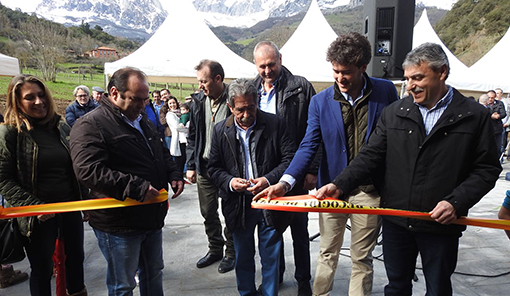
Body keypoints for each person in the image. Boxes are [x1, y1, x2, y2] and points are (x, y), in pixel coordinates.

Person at [314, 43, 502, 296]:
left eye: (418, 77)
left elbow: (487, 169)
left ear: (442, 72)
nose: (410, 85)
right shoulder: (395, 112)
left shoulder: (473, 115)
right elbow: (371, 155)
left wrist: (456, 202)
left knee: (437, 289)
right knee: (396, 287)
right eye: (407, 79)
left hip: (440, 224)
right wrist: (340, 184)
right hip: (396, 222)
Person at [255, 32, 398, 296]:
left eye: (346, 72)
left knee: (361, 258)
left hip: (370, 190)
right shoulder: (319, 102)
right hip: (330, 189)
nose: (340, 78)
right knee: (327, 253)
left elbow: (394, 142)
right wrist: (285, 183)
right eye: (335, 72)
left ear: (363, 67)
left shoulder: (386, 91)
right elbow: (308, 145)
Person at [69, 67, 184, 296]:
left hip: (150, 215)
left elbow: (158, 151)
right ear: (114, 92)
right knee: (123, 285)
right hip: (119, 223)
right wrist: (137, 187)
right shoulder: (91, 125)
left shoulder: (141, 120)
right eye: (136, 99)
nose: (142, 105)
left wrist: (173, 173)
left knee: (153, 273)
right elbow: (88, 170)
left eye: (145, 99)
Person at [0, 74, 87, 296]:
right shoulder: (10, 132)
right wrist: (35, 207)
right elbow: (2, 178)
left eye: (41, 95)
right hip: (36, 217)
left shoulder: (60, 127)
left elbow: (73, 169)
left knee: (76, 261)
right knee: (42, 269)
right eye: (30, 97)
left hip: (69, 208)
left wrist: (85, 200)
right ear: (16, 101)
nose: (39, 101)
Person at [208, 78, 295, 296]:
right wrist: (229, 182)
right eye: (240, 110)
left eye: (251, 108)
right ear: (230, 106)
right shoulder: (220, 130)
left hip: (269, 199)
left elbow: (289, 159)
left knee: (271, 256)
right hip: (238, 204)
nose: (246, 115)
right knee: (243, 255)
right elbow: (214, 168)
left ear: (257, 102)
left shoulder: (276, 124)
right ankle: (246, 293)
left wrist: (268, 179)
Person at [252, 40, 317, 295]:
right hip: (268, 174)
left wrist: (312, 168)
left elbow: (315, 130)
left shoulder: (300, 87)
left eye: (271, 64)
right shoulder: (251, 88)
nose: (267, 71)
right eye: (262, 66)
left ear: (280, 59)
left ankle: (303, 280)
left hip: (298, 171)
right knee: (270, 230)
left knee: (300, 231)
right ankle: (275, 275)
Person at [187, 59, 235, 273]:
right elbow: (193, 136)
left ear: (218, 79)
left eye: (204, 81)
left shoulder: (235, 98)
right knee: (208, 212)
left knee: (230, 213)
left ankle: (232, 252)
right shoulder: (198, 101)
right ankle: (215, 248)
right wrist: (190, 164)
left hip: (228, 171)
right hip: (205, 168)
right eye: (199, 81)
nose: (200, 86)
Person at [166, 96, 187, 174]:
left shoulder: (181, 112)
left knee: (183, 161)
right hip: (178, 141)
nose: (172, 105)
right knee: (179, 163)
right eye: (170, 103)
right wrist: (188, 130)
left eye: (173, 102)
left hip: (184, 140)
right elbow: (177, 127)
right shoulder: (170, 115)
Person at [487, 89, 506, 155]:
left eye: (492, 98)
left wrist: (498, 115)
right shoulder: (485, 103)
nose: (490, 99)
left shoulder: (499, 103)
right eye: (489, 97)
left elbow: (503, 113)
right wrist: (491, 115)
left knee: (498, 147)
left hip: (497, 128)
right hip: (487, 128)